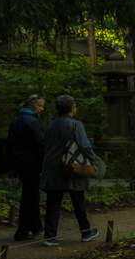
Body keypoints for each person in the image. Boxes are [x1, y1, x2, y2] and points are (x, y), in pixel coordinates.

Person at [39, 93, 99, 246]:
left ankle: (50, 237)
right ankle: (85, 232)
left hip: (52, 166)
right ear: (72, 108)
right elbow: (84, 145)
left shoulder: (51, 124)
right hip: (72, 166)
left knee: (53, 202)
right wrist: (93, 159)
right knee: (78, 199)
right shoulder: (76, 124)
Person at [7, 94, 45, 242]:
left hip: (20, 163)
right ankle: (22, 231)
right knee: (31, 196)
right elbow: (40, 144)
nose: (41, 109)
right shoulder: (32, 122)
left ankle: (35, 226)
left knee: (31, 194)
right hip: (31, 164)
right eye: (39, 105)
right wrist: (45, 163)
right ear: (31, 105)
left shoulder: (16, 120)